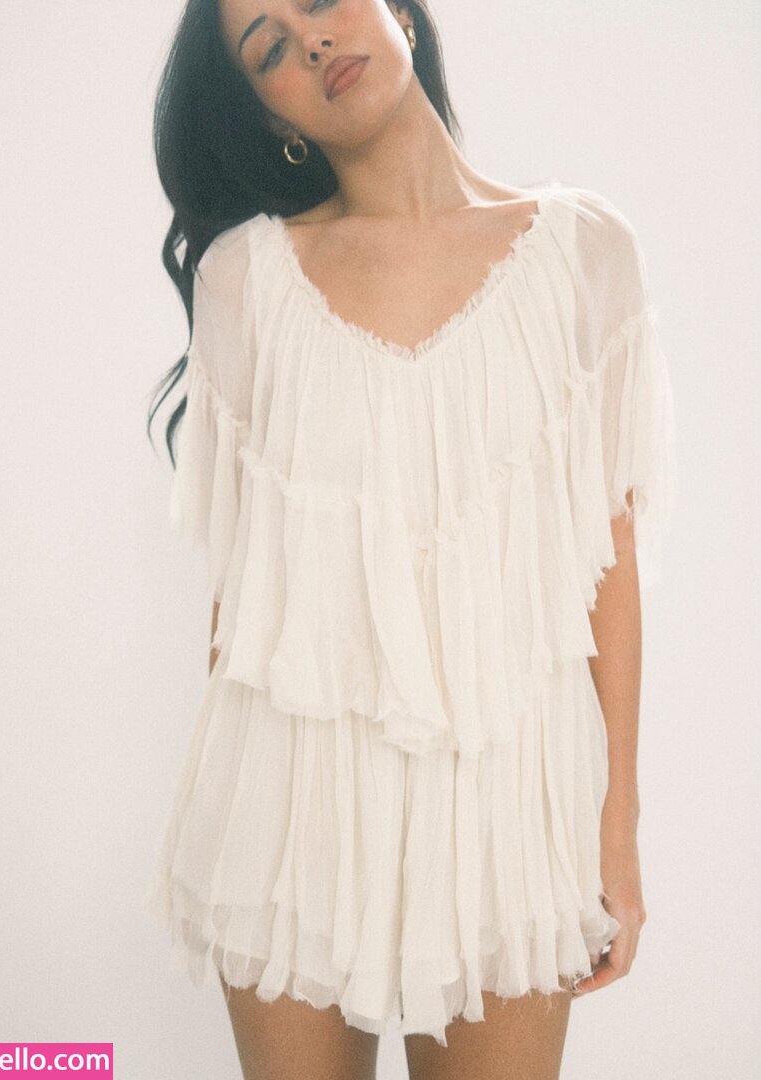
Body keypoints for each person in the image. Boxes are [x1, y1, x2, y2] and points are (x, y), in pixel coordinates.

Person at [145, 1, 677, 1077]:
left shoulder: (585, 250)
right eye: (269, 50)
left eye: (317, 2)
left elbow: (608, 560)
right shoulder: (245, 281)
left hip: (505, 808)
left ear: (396, 7)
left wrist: (616, 826)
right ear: (272, 116)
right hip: (294, 803)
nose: (311, 40)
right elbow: (242, 601)